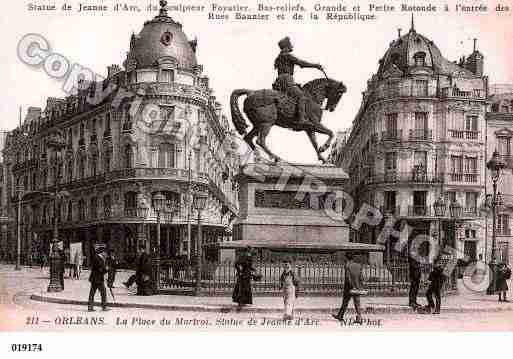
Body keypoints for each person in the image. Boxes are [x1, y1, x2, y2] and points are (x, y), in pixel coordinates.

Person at [272, 36, 324, 126]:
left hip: (279, 80)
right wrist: (315, 65)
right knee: (302, 96)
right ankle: (301, 119)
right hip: (287, 80)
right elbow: (301, 63)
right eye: (290, 44)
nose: (292, 46)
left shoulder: (279, 57)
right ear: (286, 46)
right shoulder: (288, 55)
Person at [332, 253, 364, 323]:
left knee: (345, 302)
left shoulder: (347, 265)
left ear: (346, 258)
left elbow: (347, 277)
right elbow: (361, 277)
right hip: (357, 286)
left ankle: (340, 316)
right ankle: (359, 318)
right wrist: (359, 286)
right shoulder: (359, 265)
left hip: (349, 287)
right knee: (357, 303)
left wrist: (351, 286)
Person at [87, 243, 110, 312]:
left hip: (96, 278)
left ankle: (90, 307)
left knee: (92, 292)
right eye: (106, 253)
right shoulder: (97, 258)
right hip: (97, 279)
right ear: (103, 252)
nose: (106, 255)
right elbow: (100, 269)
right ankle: (104, 307)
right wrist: (106, 269)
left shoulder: (99, 258)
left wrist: (105, 269)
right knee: (103, 292)